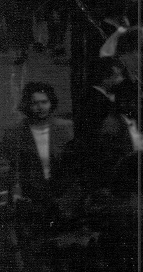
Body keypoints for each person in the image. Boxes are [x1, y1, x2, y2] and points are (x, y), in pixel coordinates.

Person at [2, 82, 75, 271]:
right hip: (32, 202)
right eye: (35, 103)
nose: (40, 107)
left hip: (62, 201)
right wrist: (17, 192)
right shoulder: (14, 133)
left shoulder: (66, 129)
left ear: (51, 103)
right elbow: (12, 169)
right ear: (27, 105)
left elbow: (75, 168)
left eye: (44, 102)